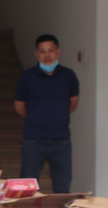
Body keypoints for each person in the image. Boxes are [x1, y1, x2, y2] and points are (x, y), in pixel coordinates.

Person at [13, 34, 80, 193]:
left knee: (63, 187)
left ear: (58, 52)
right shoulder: (27, 78)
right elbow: (19, 107)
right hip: (33, 140)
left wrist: (56, 116)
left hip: (61, 140)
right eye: (42, 51)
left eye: (51, 50)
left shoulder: (69, 76)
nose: (47, 55)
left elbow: (72, 104)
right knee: (27, 188)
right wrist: (37, 118)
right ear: (37, 54)